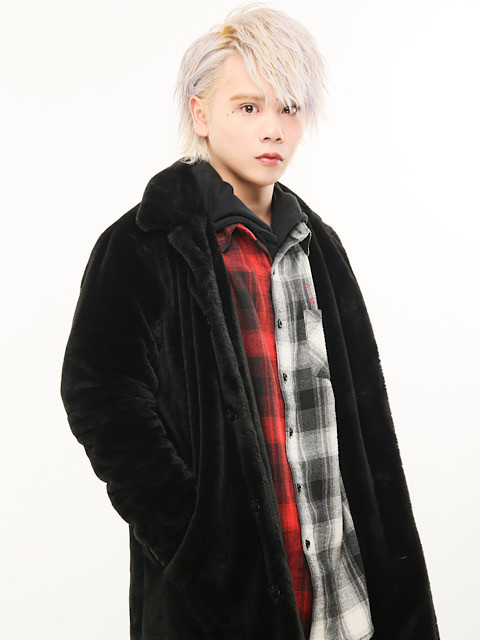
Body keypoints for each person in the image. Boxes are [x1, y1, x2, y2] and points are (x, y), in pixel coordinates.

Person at [60, 4, 440, 640]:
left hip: (342, 591)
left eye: (289, 108)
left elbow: (364, 419)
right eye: (248, 106)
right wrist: (193, 541)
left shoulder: (319, 245)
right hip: (222, 603)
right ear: (201, 114)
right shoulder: (142, 245)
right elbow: (99, 394)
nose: (274, 129)